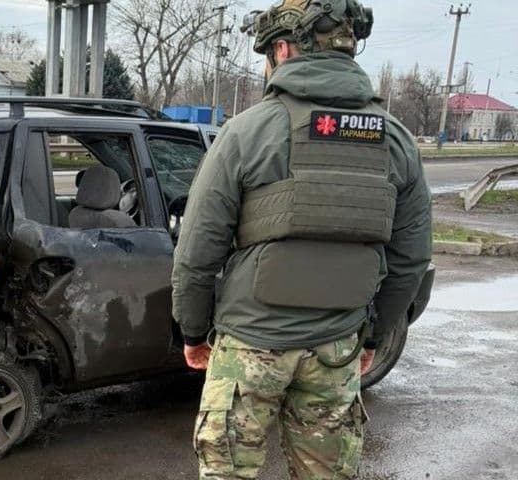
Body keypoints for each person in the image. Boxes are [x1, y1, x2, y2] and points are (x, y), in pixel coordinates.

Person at [171, 1, 433, 478]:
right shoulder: (396, 140)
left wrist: (191, 331)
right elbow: (411, 260)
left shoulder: (247, 131)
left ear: (283, 49)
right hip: (336, 347)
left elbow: (197, 249)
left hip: (251, 346)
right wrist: (372, 335)